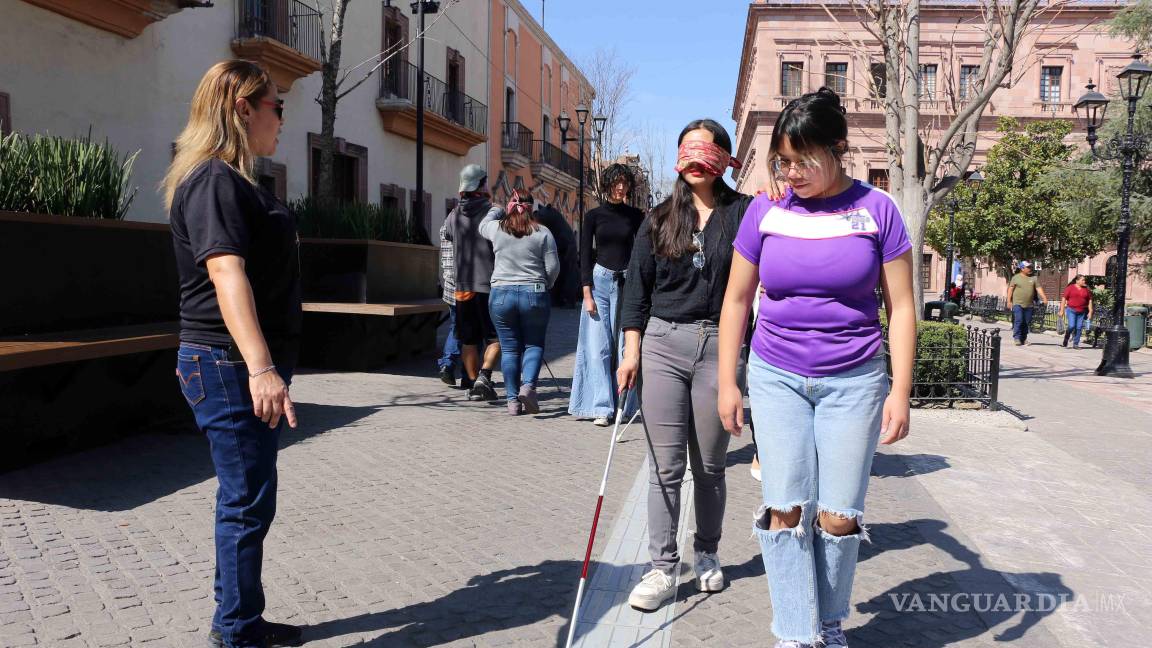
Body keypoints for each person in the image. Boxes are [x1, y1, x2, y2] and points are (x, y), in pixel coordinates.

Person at [717, 87, 915, 648]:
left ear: (839, 148)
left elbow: (901, 307)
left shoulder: (876, 210)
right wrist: (728, 380)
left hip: (853, 381)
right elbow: (736, 300)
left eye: (805, 159)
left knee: (838, 515)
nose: (793, 171)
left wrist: (901, 390)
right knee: (784, 508)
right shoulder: (765, 210)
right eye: (784, 160)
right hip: (776, 376)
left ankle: (829, 621)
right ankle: (796, 632)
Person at [163, 60, 304, 648]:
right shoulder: (214, 181)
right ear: (243, 109)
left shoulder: (231, 180)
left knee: (248, 499)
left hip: (229, 362)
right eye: (277, 106)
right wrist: (262, 368)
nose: (281, 118)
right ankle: (237, 634)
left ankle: (239, 621)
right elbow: (225, 272)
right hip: (225, 363)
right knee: (246, 502)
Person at [616, 119, 754, 612]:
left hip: (721, 345)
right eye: (688, 150)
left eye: (709, 149)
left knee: (711, 467)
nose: (697, 159)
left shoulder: (744, 214)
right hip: (662, 345)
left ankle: (708, 553)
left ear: (724, 159)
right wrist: (631, 350)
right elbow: (637, 290)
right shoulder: (657, 218)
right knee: (665, 467)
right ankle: (662, 567)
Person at [569, 164, 645, 426]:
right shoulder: (593, 216)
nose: (621, 187)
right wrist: (586, 293)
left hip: (627, 283)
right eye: (617, 182)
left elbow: (643, 252)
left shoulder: (636, 216)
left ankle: (624, 404)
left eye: (625, 183)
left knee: (627, 347)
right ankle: (602, 406)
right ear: (608, 184)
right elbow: (585, 256)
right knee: (598, 347)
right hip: (599, 283)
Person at [480, 190, 560, 415]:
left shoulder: (497, 229)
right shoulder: (543, 232)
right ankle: (529, 387)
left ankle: (513, 402)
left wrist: (496, 209)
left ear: (510, 207)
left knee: (509, 348)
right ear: (532, 208)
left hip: (501, 295)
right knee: (533, 344)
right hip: (534, 293)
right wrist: (547, 284)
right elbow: (553, 267)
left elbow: (482, 225)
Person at [444, 165, 502, 401]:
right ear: (480, 185)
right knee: (496, 338)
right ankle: (484, 377)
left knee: (468, 339)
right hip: (489, 285)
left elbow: (447, 235)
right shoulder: (494, 212)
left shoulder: (453, 215)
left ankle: (472, 384)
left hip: (462, 286)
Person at [533, 199, 579, 309]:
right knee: (558, 279)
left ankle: (568, 300)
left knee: (568, 278)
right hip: (560, 256)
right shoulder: (553, 224)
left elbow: (564, 242)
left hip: (567, 256)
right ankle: (556, 299)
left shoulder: (559, 225)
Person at [437, 219, 462, 386]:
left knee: (456, 326)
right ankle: (470, 374)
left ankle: (447, 364)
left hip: (450, 285)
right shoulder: (470, 223)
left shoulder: (446, 225)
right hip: (468, 286)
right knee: (472, 331)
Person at [1008, 260, 1048, 346]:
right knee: (1019, 319)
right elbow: (1010, 289)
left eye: (1030, 267)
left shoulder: (1034, 278)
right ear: (1022, 268)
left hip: (1029, 304)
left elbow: (1039, 288)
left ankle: (1024, 338)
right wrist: (1009, 301)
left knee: (1026, 322)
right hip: (1017, 303)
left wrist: (1044, 298)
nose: (1030, 268)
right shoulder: (1016, 277)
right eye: (1028, 267)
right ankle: (1017, 338)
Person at [1060, 274, 1094, 349]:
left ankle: (1076, 344)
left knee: (1079, 327)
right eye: (1082, 280)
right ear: (1077, 281)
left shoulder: (1086, 289)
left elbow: (1090, 300)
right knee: (1071, 326)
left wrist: (1090, 311)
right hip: (1071, 309)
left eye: (1084, 280)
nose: (1084, 281)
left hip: (1082, 311)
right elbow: (1064, 299)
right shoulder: (1070, 288)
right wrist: (1061, 310)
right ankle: (1066, 338)